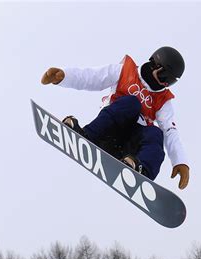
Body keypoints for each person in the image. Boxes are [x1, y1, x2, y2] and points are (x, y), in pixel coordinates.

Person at [41, 46, 190, 190]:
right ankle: (86, 137)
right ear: (155, 66)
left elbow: (170, 131)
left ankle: (140, 171)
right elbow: (92, 77)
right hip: (107, 131)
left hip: (127, 150)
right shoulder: (125, 71)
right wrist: (65, 77)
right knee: (131, 103)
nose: (163, 84)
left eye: (169, 82)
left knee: (156, 133)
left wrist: (180, 161)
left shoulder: (163, 100)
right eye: (164, 77)